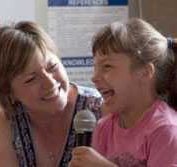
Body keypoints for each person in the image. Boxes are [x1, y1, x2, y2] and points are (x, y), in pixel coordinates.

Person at [0, 21, 102, 167]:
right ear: (7, 92)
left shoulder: (101, 108)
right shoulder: (2, 122)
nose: (50, 83)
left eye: (52, 67)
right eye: (31, 79)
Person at [69, 18, 177, 167]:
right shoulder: (104, 128)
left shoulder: (165, 130)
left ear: (145, 72)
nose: (94, 77)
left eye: (107, 66)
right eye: (95, 67)